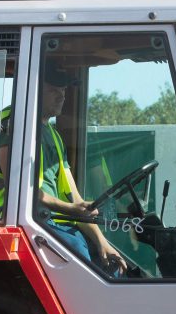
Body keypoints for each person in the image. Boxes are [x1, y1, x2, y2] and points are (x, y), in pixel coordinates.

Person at [37, 61, 127, 273]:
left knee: (109, 262)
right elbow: (20, 193)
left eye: (63, 90)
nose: (62, 95)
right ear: (33, 91)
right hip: (29, 222)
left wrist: (102, 242)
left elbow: (75, 200)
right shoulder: (15, 125)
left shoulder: (54, 136)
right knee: (80, 255)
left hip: (53, 220)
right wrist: (70, 209)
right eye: (53, 90)